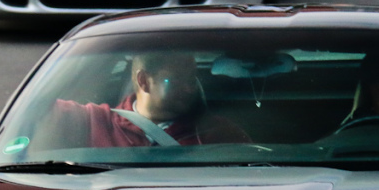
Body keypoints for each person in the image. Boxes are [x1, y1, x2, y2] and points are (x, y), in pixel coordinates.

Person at [49, 52, 248, 147]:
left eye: (191, 79)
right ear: (143, 81)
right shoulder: (93, 120)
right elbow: (39, 105)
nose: (189, 87)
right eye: (176, 79)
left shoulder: (220, 134)